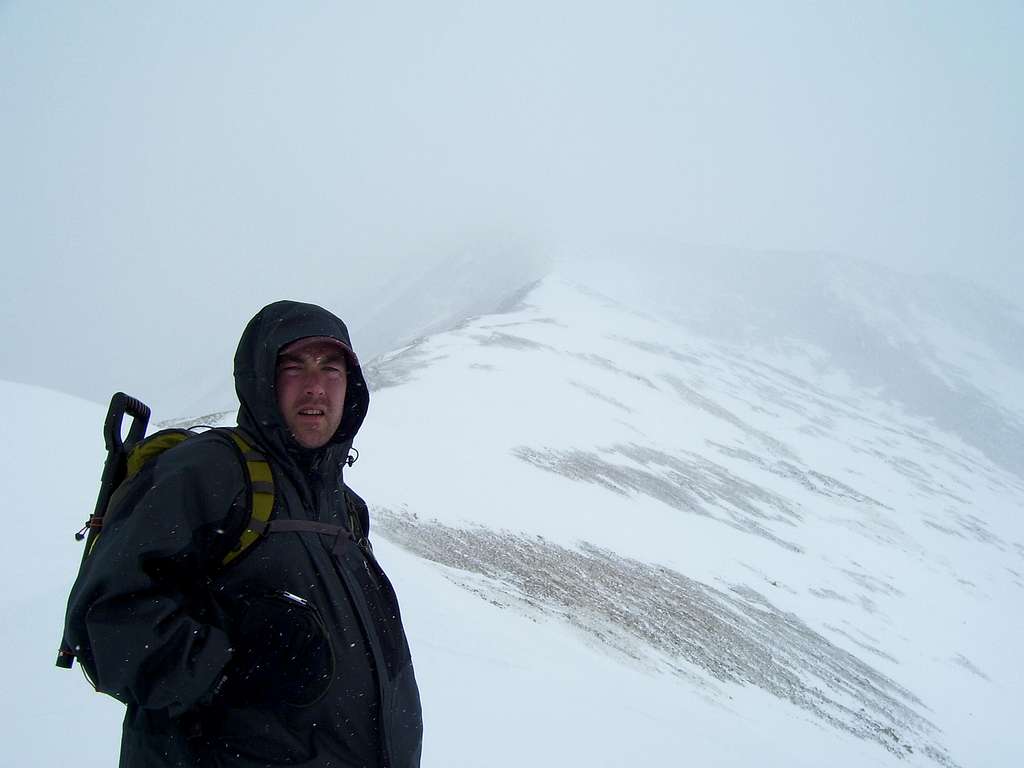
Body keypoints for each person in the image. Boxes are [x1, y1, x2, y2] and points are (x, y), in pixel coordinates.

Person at [63, 300, 422, 768]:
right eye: (294, 367)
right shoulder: (209, 471)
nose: (316, 387)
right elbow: (107, 621)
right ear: (261, 379)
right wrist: (231, 666)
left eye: (331, 369)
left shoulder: (344, 506)